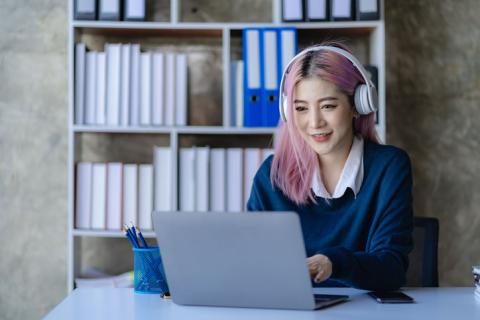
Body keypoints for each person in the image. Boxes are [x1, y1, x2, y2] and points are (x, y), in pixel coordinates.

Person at [247, 42, 414, 291]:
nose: (314, 122)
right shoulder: (273, 176)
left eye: (328, 106)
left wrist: (334, 263)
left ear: (358, 105)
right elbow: (251, 264)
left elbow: (391, 268)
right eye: (301, 108)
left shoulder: (388, 167)